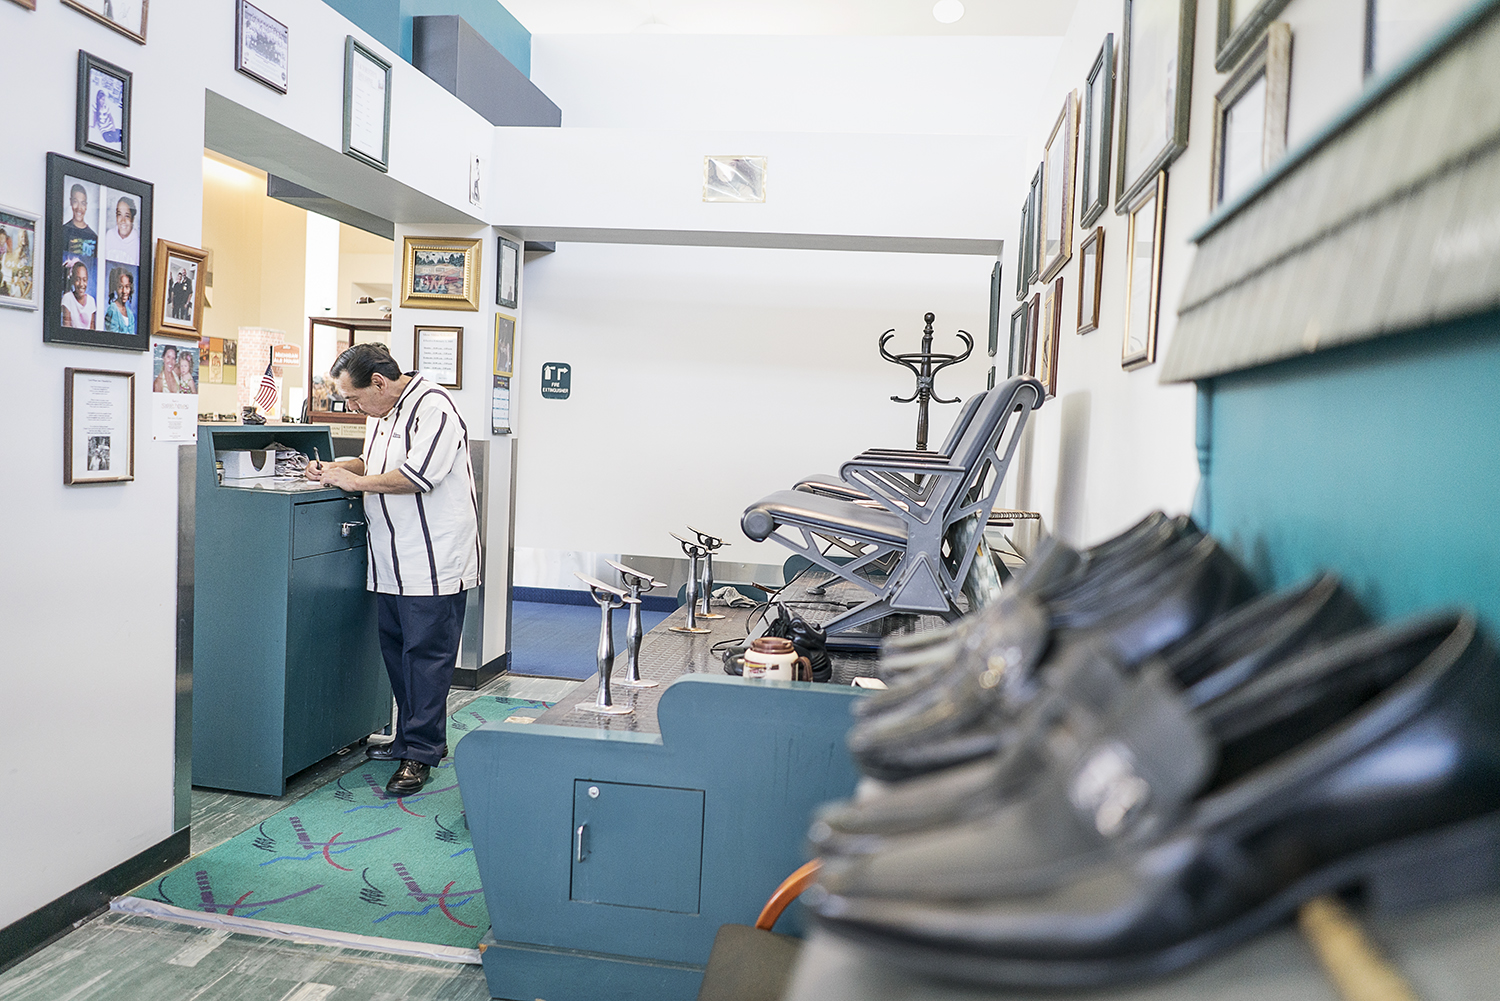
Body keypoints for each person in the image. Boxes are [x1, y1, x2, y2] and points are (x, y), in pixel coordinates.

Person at [305, 343, 480, 796]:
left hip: (433, 558)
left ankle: (420, 753)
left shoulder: (434, 407)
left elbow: (417, 477)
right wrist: (338, 467)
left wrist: (356, 482)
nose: (353, 407)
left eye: (354, 399)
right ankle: (410, 738)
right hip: (391, 561)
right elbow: (374, 463)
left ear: (378, 382)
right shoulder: (381, 413)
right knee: (399, 653)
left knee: (427, 658)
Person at [105, 196, 138, 266]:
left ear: (132, 219)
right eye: (119, 215)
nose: (123, 220)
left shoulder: (138, 243)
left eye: (127, 216)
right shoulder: (109, 235)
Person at [60, 261, 95, 328]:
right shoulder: (67, 298)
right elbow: (66, 327)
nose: (81, 284)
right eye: (78, 279)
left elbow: (92, 329)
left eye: (84, 280)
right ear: (73, 280)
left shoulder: (91, 301)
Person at [103, 267, 133, 334]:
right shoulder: (112, 309)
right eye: (120, 287)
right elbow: (112, 337)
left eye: (127, 287)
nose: (124, 291)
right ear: (115, 288)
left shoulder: (130, 313)